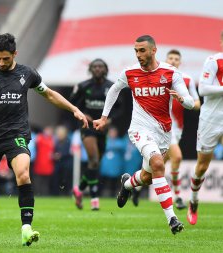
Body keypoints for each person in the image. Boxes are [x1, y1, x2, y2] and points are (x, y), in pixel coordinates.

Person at [0, 33, 88, 246]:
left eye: (5, 58)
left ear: (15, 54)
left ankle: (26, 227)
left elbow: (50, 94)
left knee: (23, 174)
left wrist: (74, 109)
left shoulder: (27, 74)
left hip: (16, 135)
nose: (1, 62)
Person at [93, 35, 194, 235]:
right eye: (136, 51)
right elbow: (113, 90)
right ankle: (172, 219)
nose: (138, 55)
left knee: (148, 177)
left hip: (163, 132)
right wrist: (104, 118)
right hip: (139, 129)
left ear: (153, 50)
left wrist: (182, 99)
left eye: (142, 50)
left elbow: (190, 102)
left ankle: (127, 184)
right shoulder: (130, 73)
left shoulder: (171, 73)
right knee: (158, 164)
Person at [187, 32, 223, 225]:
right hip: (211, 120)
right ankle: (193, 201)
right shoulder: (214, 61)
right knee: (202, 166)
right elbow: (203, 89)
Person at [70, 58, 114, 211]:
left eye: (100, 66)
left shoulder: (112, 87)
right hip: (87, 127)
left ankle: (79, 189)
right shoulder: (83, 86)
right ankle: (94, 198)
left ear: (105, 69)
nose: (97, 69)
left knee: (95, 164)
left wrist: (108, 121)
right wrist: (83, 114)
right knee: (94, 160)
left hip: (102, 128)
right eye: (94, 66)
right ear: (90, 69)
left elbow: (121, 108)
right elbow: (71, 104)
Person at [164, 49, 200, 209]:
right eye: (170, 58)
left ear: (180, 62)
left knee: (156, 165)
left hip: (177, 128)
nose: (173, 61)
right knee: (177, 157)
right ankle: (177, 196)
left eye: (176, 59)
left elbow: (197, 103)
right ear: (166, 59)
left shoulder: (186, 79)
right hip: (161, 126)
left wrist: (184, 100)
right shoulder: (159, 77)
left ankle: (134, 186)